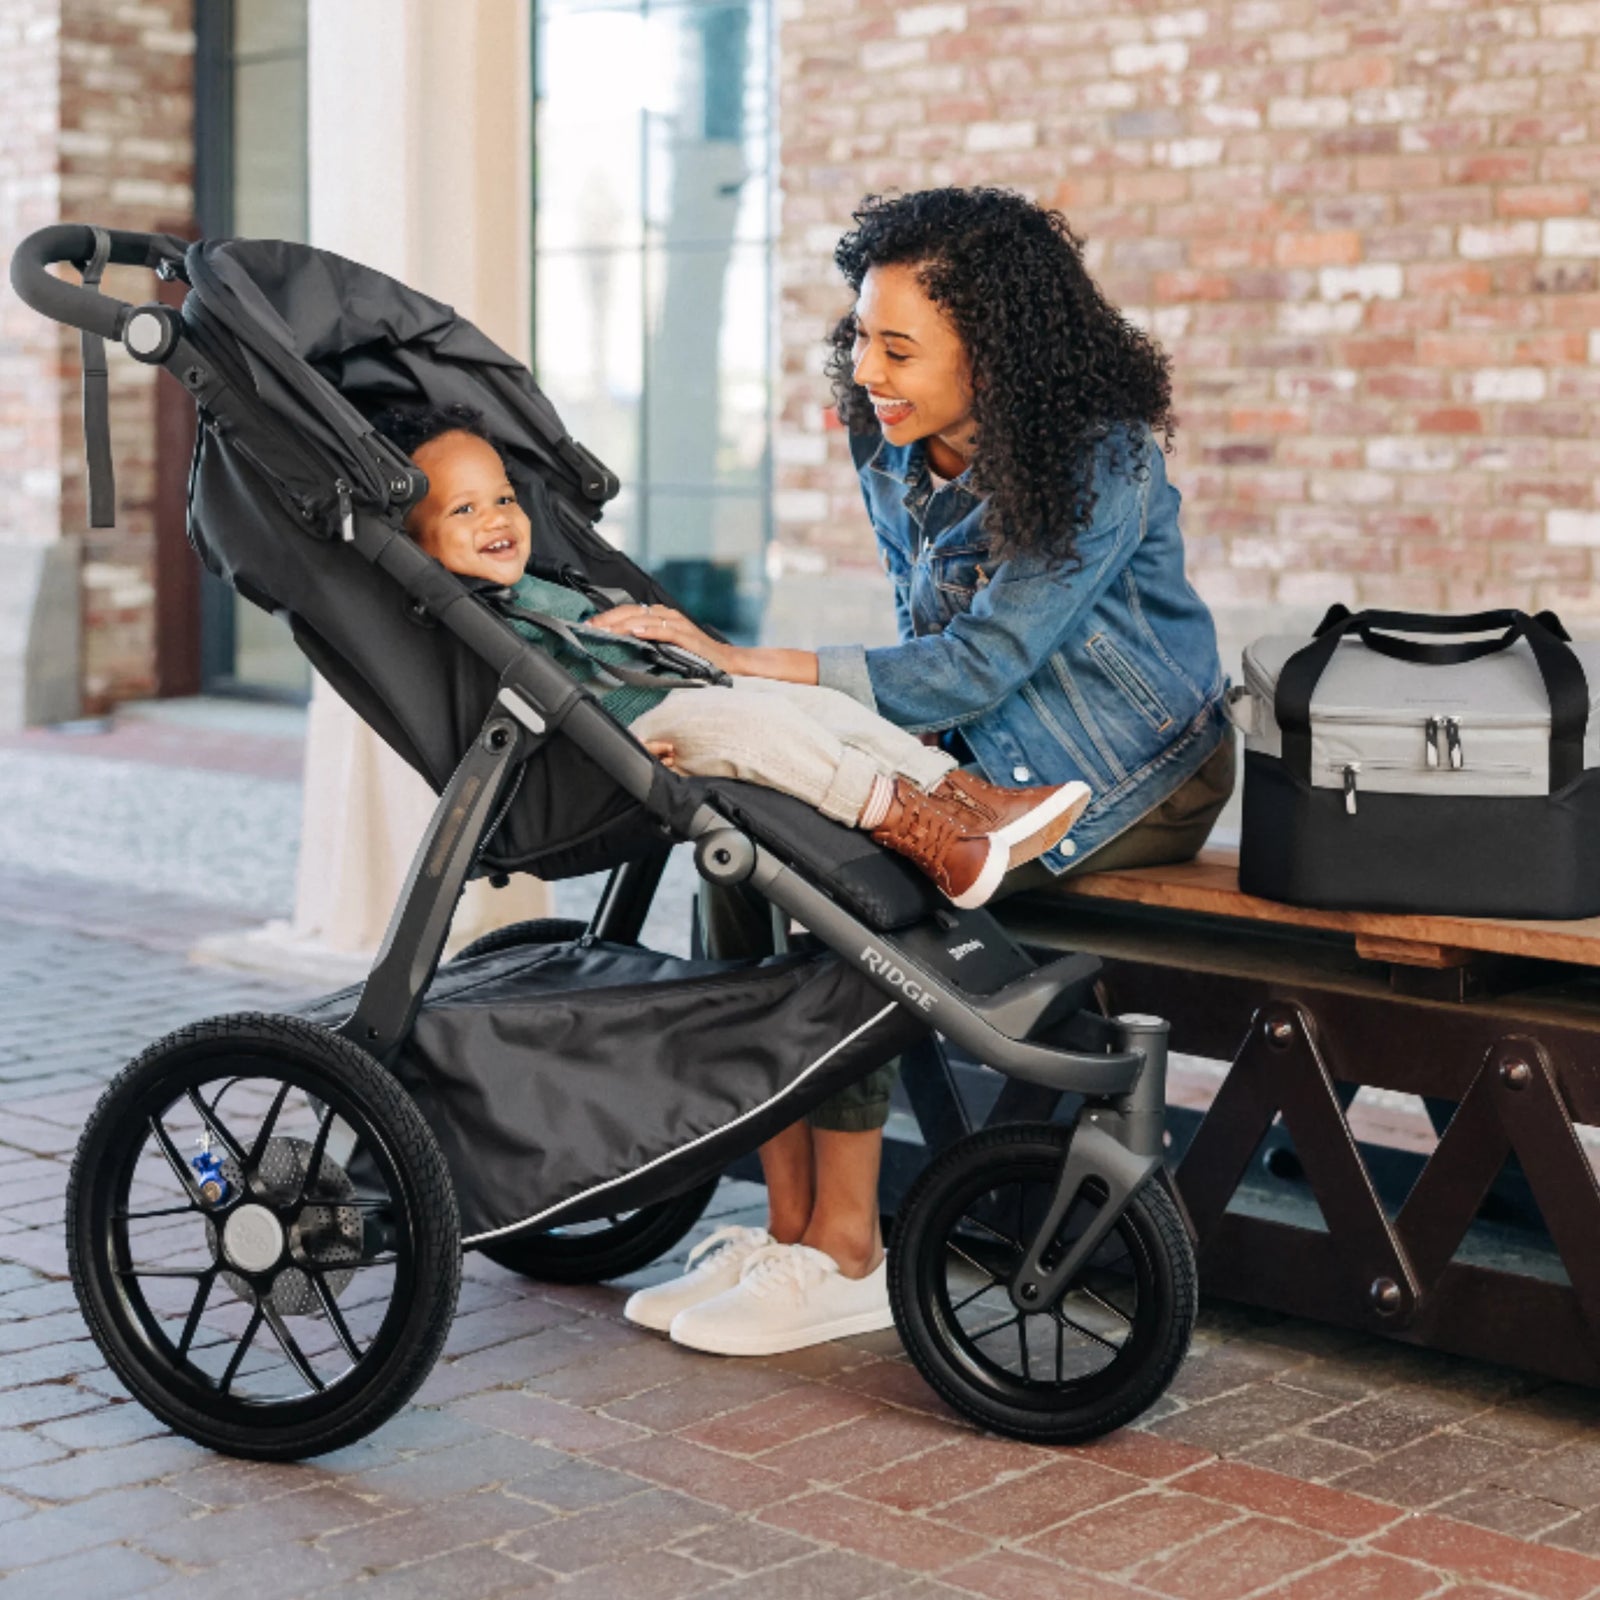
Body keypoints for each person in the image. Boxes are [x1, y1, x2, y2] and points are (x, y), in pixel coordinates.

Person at [617, 187, 1233, 1359]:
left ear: (992, 357)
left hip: (1128, 775)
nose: (868, 370)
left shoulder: (1102, 459)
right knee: (741, 856)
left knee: (853, 894)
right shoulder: (886, 434)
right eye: (859, 337)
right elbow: (926, 638)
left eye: (898, 347)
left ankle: (849, 1250)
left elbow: (977, 659)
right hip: (977, 763)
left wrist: (750, 666)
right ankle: (791, 1228)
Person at [372, 403, 1091, 911]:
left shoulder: (543, 583)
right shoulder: (467, 625)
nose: (497, 518)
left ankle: (962, 799)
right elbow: (509, 720)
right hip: (629, 731)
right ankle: (924, 835)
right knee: (759, 734)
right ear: (413, 542)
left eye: (503, 497)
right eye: (463, 511)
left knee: (819, 707)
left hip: (676, 688)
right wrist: (590, 752)